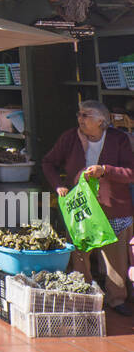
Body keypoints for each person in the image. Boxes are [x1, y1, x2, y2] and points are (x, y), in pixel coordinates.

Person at [42, 101, 134, 316]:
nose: (80, 119)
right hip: (82, 208)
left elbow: (131, 172)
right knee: (80, 255)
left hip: (114, 207)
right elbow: (48, 162)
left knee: (116, 258)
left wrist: (105, 170)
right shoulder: (70, 138)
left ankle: (117, 298)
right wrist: (59, 185)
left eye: (86, 115)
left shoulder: (118, 139)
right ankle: (84, 295)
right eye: (79, 114)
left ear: (102, 121)